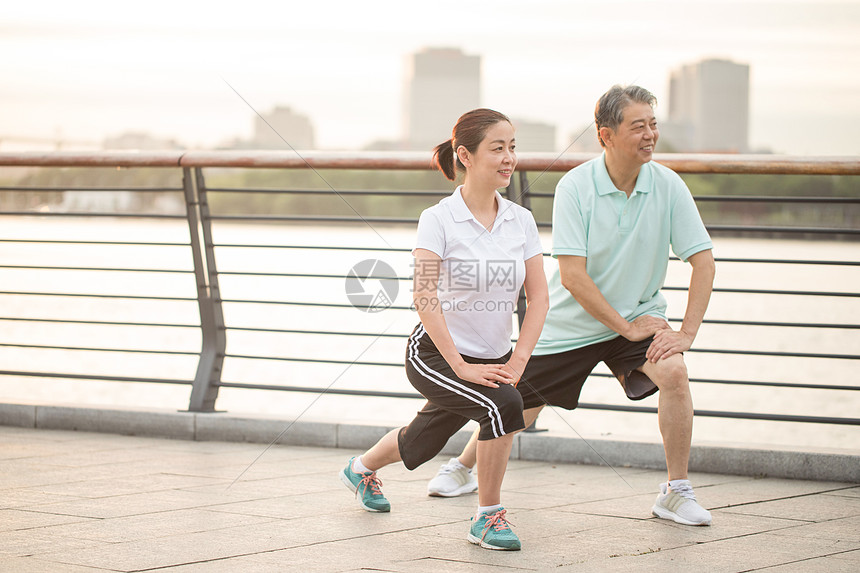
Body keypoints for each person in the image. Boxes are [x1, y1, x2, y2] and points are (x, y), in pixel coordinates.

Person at [427, 85, 716, 527]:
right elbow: (572, 277)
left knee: (674, 371)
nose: (650, 135)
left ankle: (676, 493)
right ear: (606, 135)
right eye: (638, 126)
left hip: (637, 321)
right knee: (514, 400)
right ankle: (463, 467)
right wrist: (626, 326)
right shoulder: (576, 186)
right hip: (570, 325)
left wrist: (686, 333)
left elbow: (703, 262)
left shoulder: (668, 185)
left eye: (653, 125)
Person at [339, 108, 549, 550]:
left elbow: (539, 297)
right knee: (502, 406)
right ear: (465, 156)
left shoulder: (520, 220)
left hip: (491, 357)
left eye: (513, 147)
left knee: (426, 437)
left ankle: (360, 469)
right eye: (498, 148)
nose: (509, 157)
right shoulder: (438, 218)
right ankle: (488, 519)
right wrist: (460, 366)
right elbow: (424, 295)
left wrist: (517, 359)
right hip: (435, 353)